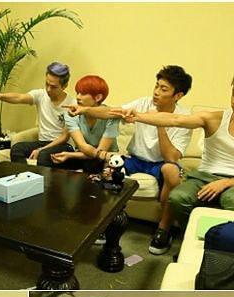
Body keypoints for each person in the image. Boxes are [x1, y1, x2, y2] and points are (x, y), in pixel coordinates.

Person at [116, 63, 234, 230]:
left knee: (233, 200)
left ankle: (222, 241)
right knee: (178, 197)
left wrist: (224, 183)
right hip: (203, 176)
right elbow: (175, 120)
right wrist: (137, 116)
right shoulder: (213, 119)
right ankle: (194, 235)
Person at [66, 66, 193, 254]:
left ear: (178, 95)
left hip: (161, 163)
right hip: (135, 159)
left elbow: (171, 157)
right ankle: (106, 223)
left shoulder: (184, 119)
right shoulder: (143, 103)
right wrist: (84, 109)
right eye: (156, 86)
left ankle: (163, 230)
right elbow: (111, 112)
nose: (156, 92)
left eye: (163, 89)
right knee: (110, 164)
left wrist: (159, 123)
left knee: (172, 171)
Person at [0, 62, 75, 166]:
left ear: (64, 86)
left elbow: (64, 137)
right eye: (47, 84)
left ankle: (39, 176)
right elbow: (19, 97)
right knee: (17, 149)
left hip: (62, 145)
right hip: (42, 142)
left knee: (43, 155)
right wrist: (0, 96)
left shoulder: (71, 104)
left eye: (53, 87)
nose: (48, 89)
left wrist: (41, 150)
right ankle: (25, 174)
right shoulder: (41, 95)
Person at [50, 75, 119, 173]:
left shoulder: (112, 115)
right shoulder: (71, 114)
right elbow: (82, 146)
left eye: (83, 94)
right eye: (77, 93)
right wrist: (69, 155)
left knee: (92, 164)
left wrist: (70, 155)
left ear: (98, 97)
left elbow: (101, 152)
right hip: (83, 155)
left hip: (105, 158)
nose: (78, 97)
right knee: (46, 157)